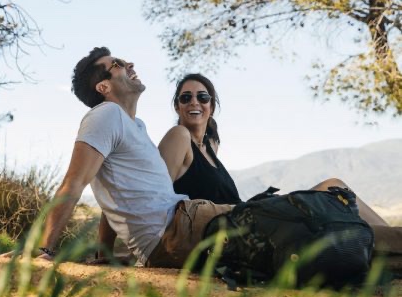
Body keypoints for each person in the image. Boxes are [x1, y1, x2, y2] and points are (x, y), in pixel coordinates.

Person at [15, 47, 232, 267]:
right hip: (178, 230)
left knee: (253, 216)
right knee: (253, 217)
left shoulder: (137, 126)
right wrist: (43, 249)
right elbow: (73, 183)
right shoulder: (106, 114)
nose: (130, 65)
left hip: (183, 223)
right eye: (117, 64)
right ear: (104, 87)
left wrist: (106, 254)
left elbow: (120, 196)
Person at [157, 73, 402, 268]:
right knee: (323, 216)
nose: (194, 102)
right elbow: (155, 197)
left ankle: (395, 238)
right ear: (177, 107)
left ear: (212, 105)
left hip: (250, 216)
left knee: (334, 186)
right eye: (185, 98)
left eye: (202, 97)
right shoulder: (179, 136)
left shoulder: (210, 147)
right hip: (236, 230)